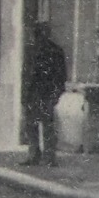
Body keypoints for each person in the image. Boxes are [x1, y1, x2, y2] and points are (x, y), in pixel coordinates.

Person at [21, 21, 68, 166]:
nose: (37, 35)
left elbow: (61, 75)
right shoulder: (30, 50)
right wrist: (24, 94)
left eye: (39, 32)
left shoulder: (55, 51)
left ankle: (49, 157)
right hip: (33, 92)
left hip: (46, 92)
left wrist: (57, 93)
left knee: (47, 125)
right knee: (31, 125)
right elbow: (25, 74)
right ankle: (34, 154)